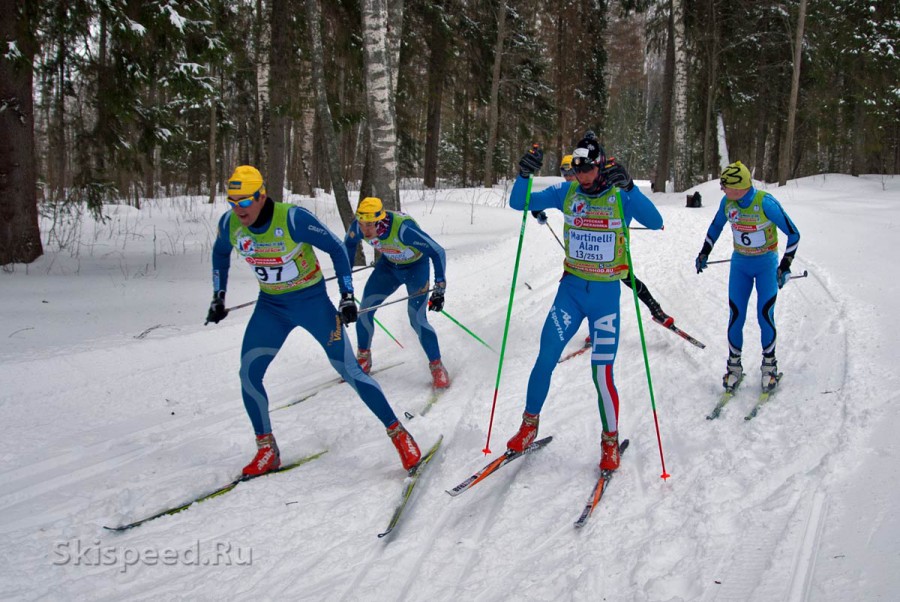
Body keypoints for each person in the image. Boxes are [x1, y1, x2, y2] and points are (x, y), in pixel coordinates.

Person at [206, 166, 421, 477]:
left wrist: (347, 295)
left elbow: (335, 247)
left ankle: (399, 435)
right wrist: (219, 294)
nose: (239, 209)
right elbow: (220, 253)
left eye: (245, 201)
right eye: (233, 201)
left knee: (350, 370)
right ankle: (267, 450)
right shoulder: (230, 224)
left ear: (261, 196)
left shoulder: (293, 218)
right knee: (249, 373)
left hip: (312, 304)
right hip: (271, 308)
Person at [506, 137, 664, 471]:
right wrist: (523, 175)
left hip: (605, 298)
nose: (584, 178)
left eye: (589, 170)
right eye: (577, 171)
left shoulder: (619, 197)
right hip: (571, 293)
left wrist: (632, 187)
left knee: (602, 372)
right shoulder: (567, 193)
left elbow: (654, 221)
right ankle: (528, 426)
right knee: (546, 356)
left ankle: (609, 440)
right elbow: (519, 204)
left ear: (602, 164)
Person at [531, 149, 674, 329]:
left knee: (627, 277)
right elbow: (544, 200)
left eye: (571, 172)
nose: (569, 177)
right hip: (587, 255)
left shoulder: (600, 183)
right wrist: (537, 209)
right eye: (565, 173)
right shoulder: (569, 191)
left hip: (613, 250)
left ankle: (655, 309)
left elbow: (629, 203)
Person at [695, 161, 800, 392]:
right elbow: (715, 227)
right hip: (740, 264)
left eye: (725, 185)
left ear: (739, 186)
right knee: (736, 314)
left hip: (766, 265)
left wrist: (785, 265)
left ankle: (769, 366)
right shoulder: (728, 203)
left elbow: (794, 234)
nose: (721, 189)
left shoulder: (766, 203)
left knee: (765, 314)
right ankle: (734, 366)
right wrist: (704, 252)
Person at [343, 197, 450, 389]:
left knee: (416, 319)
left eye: (369, 225)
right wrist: (346, 287)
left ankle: (437, 366)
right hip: (388, 268)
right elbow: (348, 250)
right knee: (365, 310)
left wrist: (439, 288)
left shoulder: (404, 230)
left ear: (380, 220)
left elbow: (437, 252)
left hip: (416, 268)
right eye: (361, 224)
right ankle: (363, 357)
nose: (364, 230)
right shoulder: (358, 228)